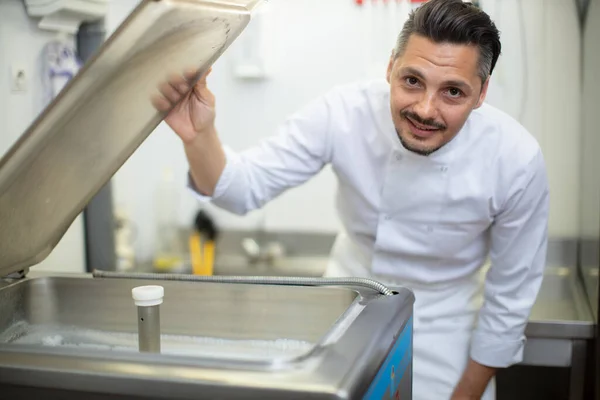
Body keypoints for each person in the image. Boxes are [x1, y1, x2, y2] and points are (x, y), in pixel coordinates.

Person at [152, 0, 549, 398]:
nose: (425, 109)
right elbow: (242, 189)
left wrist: (465, 395)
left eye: (453, 92)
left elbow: (510, 298)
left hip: (444, 340)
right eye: (412, 80)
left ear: (481, 94)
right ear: (390, 66)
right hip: (344, 321)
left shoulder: (515, 158)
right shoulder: (343, 113)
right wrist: (198, 135)